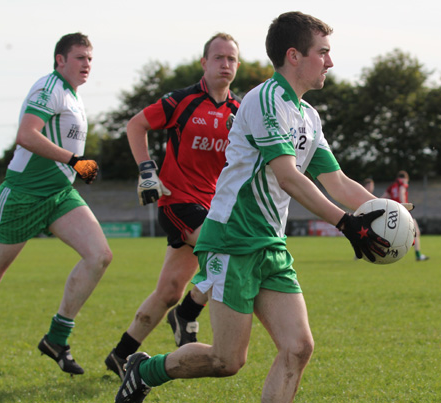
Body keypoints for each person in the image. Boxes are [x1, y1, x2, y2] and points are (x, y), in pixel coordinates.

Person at [114, 12, 391, 403]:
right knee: (227, 361)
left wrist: (394, 211)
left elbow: (338, 181)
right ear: (294, 56)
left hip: (270, 245)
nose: (330, 62)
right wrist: (346, 223)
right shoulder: (264, 101)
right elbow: (288, 176)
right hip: (232, 239)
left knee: (298, 347)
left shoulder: (308, 116)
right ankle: (143, 370)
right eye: (323, 52)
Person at [105, 33, 241, 380]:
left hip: (210, 207)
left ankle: (121, 355)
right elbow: (136, 125)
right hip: (177, 202)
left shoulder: (239, 112)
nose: (225, 64)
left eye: (232, 59)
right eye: (219, 58)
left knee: (167, 292)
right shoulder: (181, 101)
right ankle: (187, 313)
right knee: (227, 249)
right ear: (204, 63)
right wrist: (146, 170)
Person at [0, 33, 112, 376]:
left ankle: (57, 339)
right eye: (80, 58)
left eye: (90, 58)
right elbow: (26, 135)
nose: (87, 64)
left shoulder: (73, 96)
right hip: (25, 195)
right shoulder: (50, 87)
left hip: (59, 196)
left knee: (99, 255)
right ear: (60, 60)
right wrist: (75, 160)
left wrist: (72, 166)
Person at [382, 170, 429, 261]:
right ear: (406, 178)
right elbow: (402, 193)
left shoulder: (392, 186)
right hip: (403, 211)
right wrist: (404, 206)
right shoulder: (402, 184)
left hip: (393, 213)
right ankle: (418, 255)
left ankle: (383, 252)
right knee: (416, 232)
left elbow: (383, 197)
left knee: (391, 234)